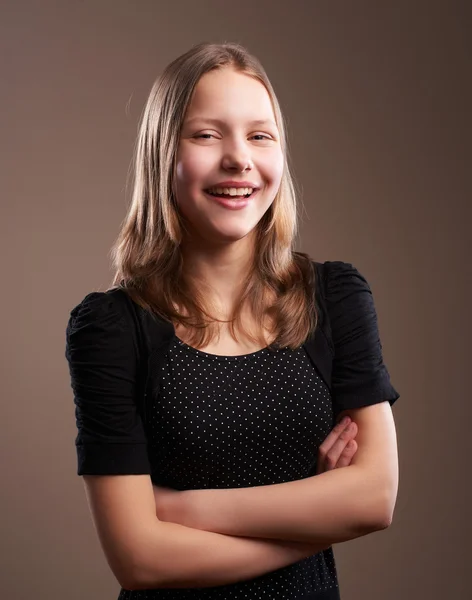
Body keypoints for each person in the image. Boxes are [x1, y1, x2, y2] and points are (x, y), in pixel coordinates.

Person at [65, 42, 400, 599]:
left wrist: (182, 508)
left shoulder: (336, 297)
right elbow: (140, 561)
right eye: (206, 134)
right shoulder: (110, 329)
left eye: (260, 135)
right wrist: (317, 515)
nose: (239, 158)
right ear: (161, 152)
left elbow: (374, 499)